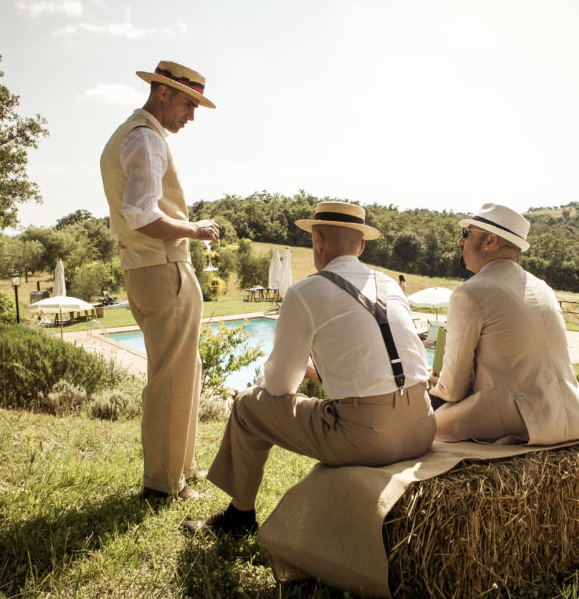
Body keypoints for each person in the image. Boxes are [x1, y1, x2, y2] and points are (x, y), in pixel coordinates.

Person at [183, 201, 435, 535]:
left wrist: (297, 372)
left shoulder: (305, 292)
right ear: (361, 246)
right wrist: (321, 370)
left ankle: (239, 517)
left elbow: (277, 387)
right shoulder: (389, 284)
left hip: (368, 438)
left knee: (247, 406)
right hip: (422, 424)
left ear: (317, 240)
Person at [100, 60, 221, 500]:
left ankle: (181, 467)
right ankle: (165, 484)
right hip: (163, 267)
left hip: (148, 268)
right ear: (163, 93)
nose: (191, 116)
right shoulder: (146, 139)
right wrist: (195, 229)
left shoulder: (131, 134)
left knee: (183, 369)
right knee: (171, 376)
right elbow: (141, 214)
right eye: (189, 104)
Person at [428, 203, 579, 445]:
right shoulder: (543, 288)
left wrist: (431, 384)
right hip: (571, 414)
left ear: (489, 241)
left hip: (518, 418)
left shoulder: (470, 293)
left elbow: (453, 390)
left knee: (420, 421)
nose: (460, 241)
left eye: (467, 233)